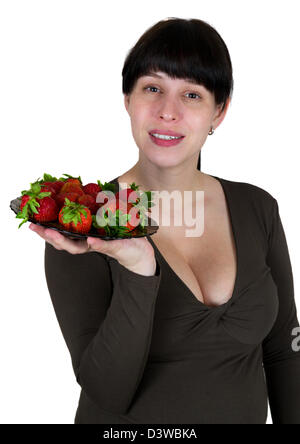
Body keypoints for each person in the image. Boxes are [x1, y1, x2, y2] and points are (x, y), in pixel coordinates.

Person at [29, 17, 300, 424]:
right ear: (128, 99)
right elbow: (106, 391)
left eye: (192, 94)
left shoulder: (257, 207)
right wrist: (139, 269)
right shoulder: (84, 223)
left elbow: (284, 350)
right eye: (152, 88)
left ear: (219, 112)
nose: (167, 112)